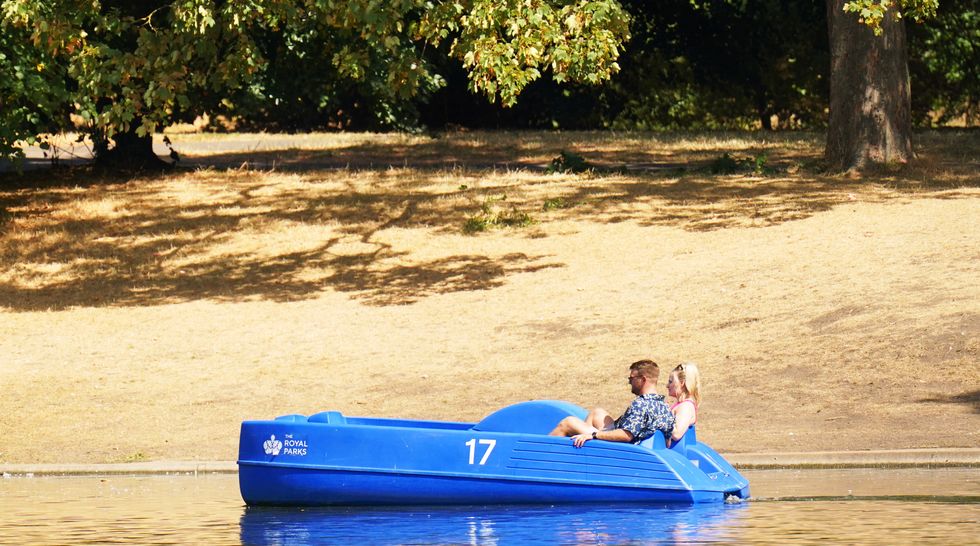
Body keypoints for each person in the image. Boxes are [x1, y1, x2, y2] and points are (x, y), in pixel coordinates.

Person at [549, 359, 675, 447]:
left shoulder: (641, 405)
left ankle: (537, 455)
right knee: (598, 413)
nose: (629, 382)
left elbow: (626, 435)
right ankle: (582, 451)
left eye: (631, 378)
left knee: (568, 422)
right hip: (639, 445)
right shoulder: (664, 407)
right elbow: (668, 441)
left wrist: (594, 435)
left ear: (642, 380)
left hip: (623, 450)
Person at [666, 362, 701, 447]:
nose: (667, 385)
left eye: (671, 382)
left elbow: (677, 434)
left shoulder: (686, 407)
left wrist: (661, 417)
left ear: (682, 383)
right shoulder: (681, 404)